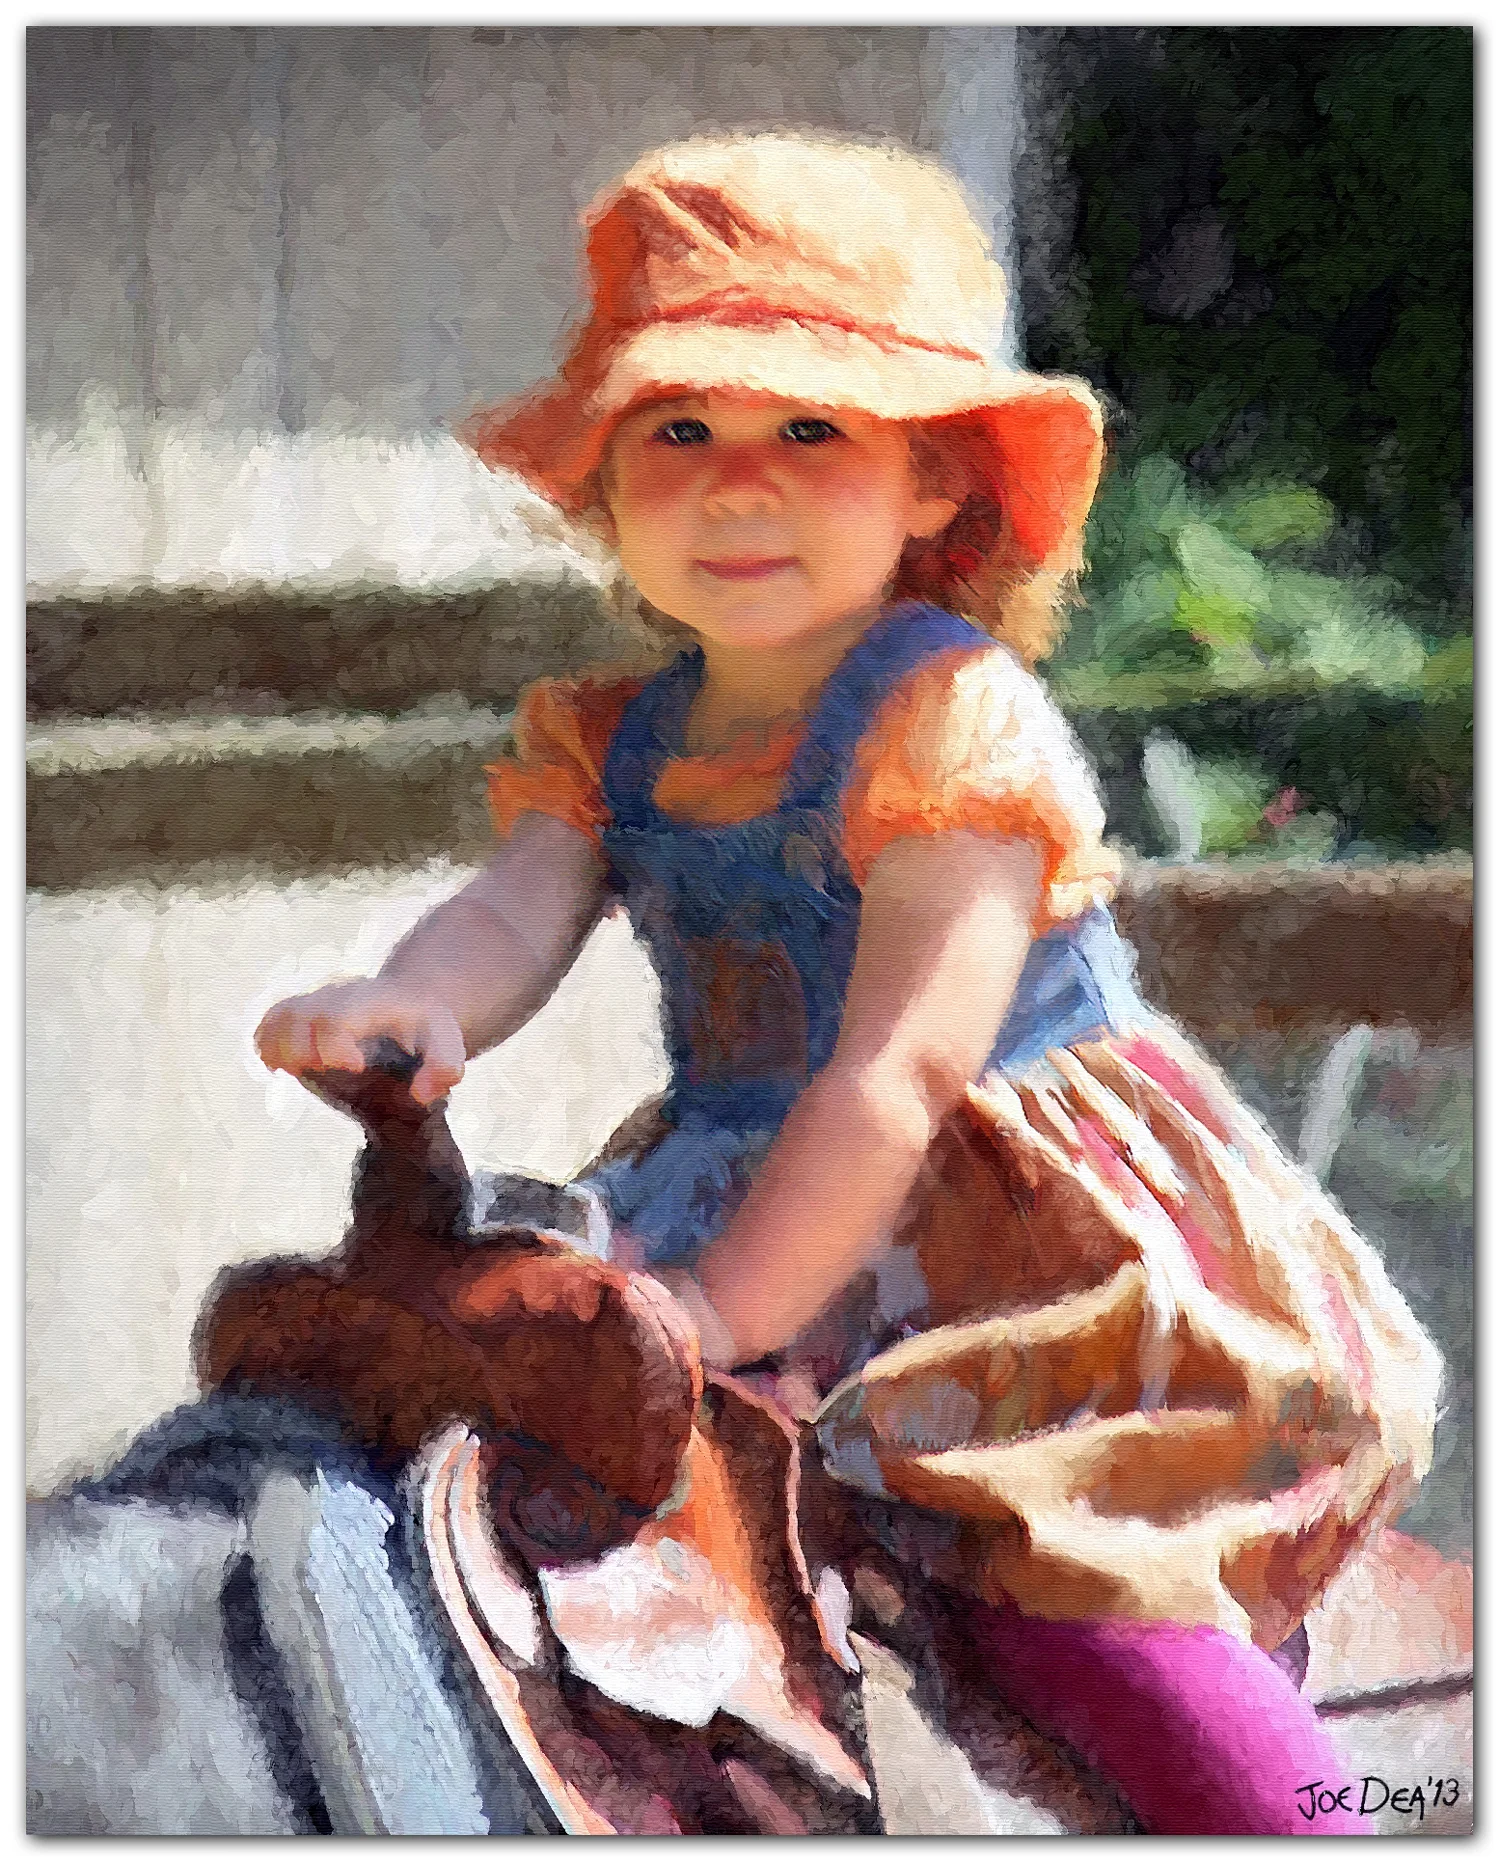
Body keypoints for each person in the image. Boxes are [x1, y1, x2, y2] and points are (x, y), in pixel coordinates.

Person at [254, 133, 1440, 1835]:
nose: (738, 488)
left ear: (935, 480)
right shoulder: (614, 734)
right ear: (608, 484)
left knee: (1064, 1572)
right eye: (680, 432)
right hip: (742, 1177)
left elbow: (899, 1072)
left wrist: (724, 1308)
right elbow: (516, 908)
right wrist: (417, 998)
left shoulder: (949, 722)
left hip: (1012, 1233)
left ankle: (1311, 1817)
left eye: (810, 432)